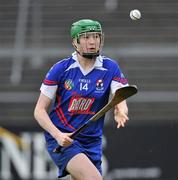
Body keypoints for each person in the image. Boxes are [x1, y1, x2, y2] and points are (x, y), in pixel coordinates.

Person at [34, 19, 129, 180]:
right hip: (65, 138)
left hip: (92, 141)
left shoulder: (110, 67)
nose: (92, 42)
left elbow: (120, 96)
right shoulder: (61, 69)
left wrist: (121, 110)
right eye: (86, 37)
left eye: (96, 36)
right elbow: (39, 111)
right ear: (75, 42)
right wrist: (58, 135)